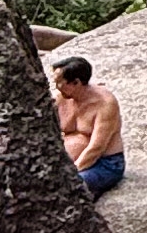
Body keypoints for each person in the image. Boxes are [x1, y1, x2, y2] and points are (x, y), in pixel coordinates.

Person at [52, 55, 125, 198]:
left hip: (104, 163)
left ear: (76, 82)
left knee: (68, 187)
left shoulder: (105, 104)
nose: (57, 87)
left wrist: (71, 172)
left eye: (60, 82)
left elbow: (97, 148)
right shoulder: (61, 98)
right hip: (67, 161)